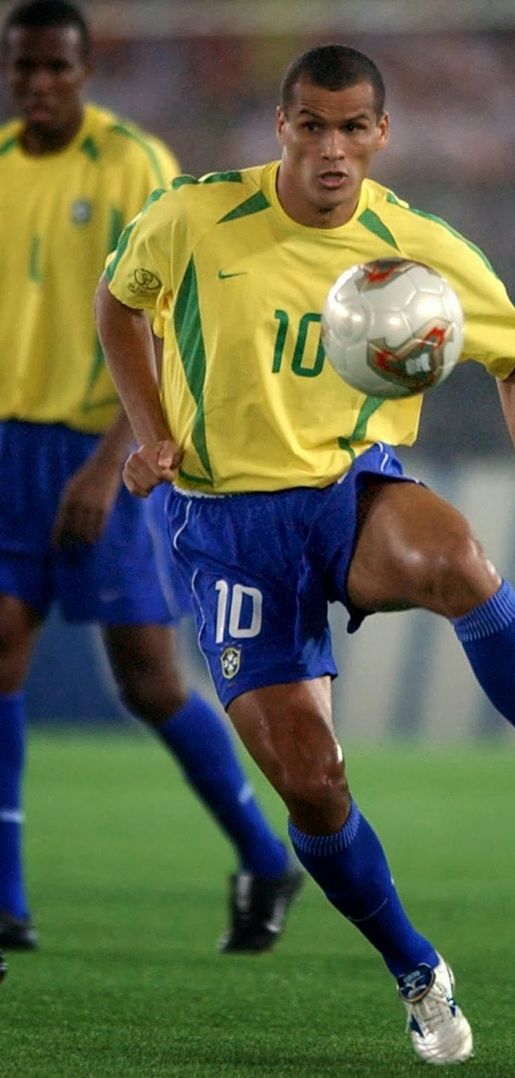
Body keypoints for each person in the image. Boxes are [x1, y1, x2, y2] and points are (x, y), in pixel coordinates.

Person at [95, 44, 515, 1066]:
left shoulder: (410, 243)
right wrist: (149, 429)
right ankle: (417, 970)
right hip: (226, 531)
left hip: (343, 490)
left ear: (380, 134)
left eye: (353, 127)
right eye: (312, 125)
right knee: (314, 785)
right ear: (280, 125)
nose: (332, 148)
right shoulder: (193, 216)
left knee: (460, 556)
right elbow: (118, 304)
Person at [0, 0, 303, 955]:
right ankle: (6, 900)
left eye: (56, 67)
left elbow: (170, 328)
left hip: (107, 448)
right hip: (7, 449)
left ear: (86, 71)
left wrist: (107, 462)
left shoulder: (135, 163)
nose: (38, 84)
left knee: (147, 679)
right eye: (22, 67)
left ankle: (265, 854)